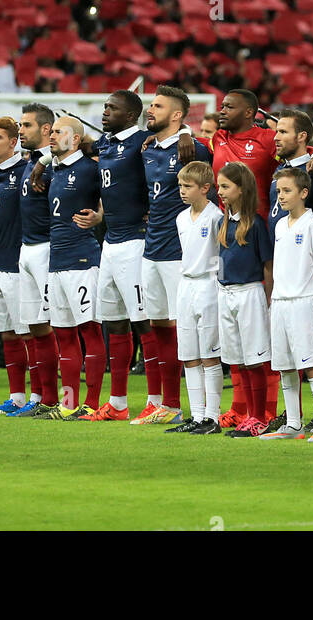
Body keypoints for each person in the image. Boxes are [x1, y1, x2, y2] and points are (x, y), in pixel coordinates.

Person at [134, 86, 212, 425]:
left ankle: (200, 409)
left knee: (186, 329)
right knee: (156, 326)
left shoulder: (193, 149)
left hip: (181, 254)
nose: (150, 110)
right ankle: (164, 403)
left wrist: (188, 135)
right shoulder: (148, 149)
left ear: (177, 115)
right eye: (150, 105)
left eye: (158, 106)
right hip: (151, 249)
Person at [72, 91, 151, 422]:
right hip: (110, 244)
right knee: (115, 322)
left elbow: (177, 140)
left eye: (112, 108)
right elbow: (77, 143)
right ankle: (117, 403)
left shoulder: (143, 142)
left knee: (144, 323)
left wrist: (188, 134)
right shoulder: (105, 144)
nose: (105, 112)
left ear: (131, 115)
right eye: (104, 107)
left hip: (136, 242)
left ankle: (158, 401)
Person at [212, 88, 278, 426]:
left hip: (260, 234)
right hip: (232, 240)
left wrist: (311, 157)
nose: (222, 110)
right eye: (221, 106)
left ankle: (265, 411)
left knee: (259, 347)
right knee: (236, 349)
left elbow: (303, 148)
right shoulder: (217, 138)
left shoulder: (267, 139)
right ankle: (241, 409)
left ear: (251, 111)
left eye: (229, 106)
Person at [260, 166, 313, 442]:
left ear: (304, 193)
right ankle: (293, 424)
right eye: (279, 191)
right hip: (280, 302)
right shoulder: (280, 225)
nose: (281, 196)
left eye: (287, 191)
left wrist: (312, 296)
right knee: (285, 364)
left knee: (312, 362)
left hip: (303, 303)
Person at [40, 115, 103, 420]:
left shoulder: (91, 168)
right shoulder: (55, 170)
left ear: (75, 139)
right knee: (63, 335)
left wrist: (101, 216)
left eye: (58, 132)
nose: (51, 136)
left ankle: (91, 403)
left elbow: (114, 197)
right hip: (56, 262)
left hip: (83, 260)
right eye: (50, 132)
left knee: (89, 330)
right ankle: (69, 403)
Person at [215, 162, 274, 438]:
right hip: (226, 293)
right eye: (219, 186)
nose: (220, 191)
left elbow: (268, 266)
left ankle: (259, 417)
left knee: (254, 359)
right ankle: (248, 416)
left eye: (226, 186)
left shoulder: (256, 224)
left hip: (250, 293)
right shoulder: (223, 221)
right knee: (238, 360)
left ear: (242, 189)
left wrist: (269, 300)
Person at [170, 161, 226, 434]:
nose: (182, 191)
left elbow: (223, 254)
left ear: (205, 188)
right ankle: (197, 415)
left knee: (209, 354)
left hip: (208, 285)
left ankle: (213, 417)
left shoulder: (216, 217)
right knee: (189, 354)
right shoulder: (181, 218)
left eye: (187, 186)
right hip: (186, 285)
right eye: (180, 185)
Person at [0, 117, 32, 415]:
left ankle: (37, 396)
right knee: (8, 335)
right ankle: (17, 398)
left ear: (13, 142)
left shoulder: (25, 171)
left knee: (27, 334)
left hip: (18, 265)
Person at [14, 103, 56, 418]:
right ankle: (38, 396)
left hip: (48, 248)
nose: (20, 130)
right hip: (26, 248)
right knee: (34, 325)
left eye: (26, 125)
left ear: (45, 129)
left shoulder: (54, 163)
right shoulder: (29, 163)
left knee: (53, 325)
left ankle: (53, 398)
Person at [268, 109, 313, 237]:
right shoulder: (280, 169)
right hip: (276, 249)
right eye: (277, 131)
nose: (276, 137)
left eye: (283, 132)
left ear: (301, 136)